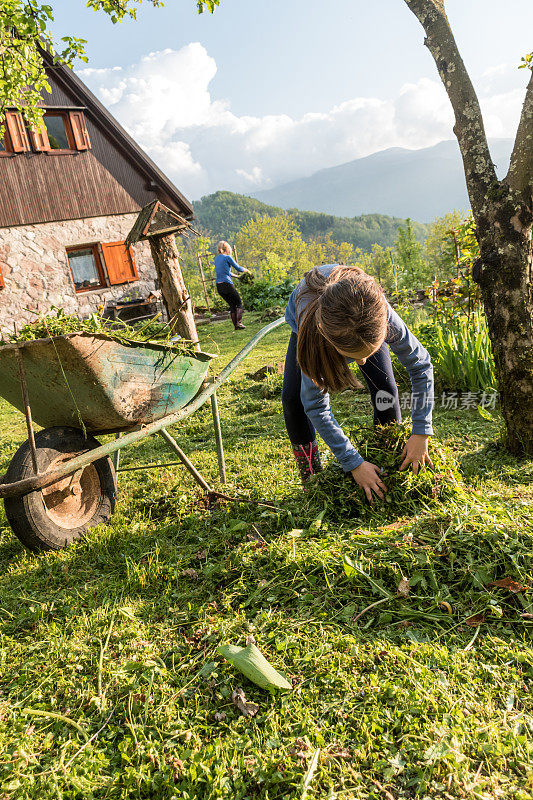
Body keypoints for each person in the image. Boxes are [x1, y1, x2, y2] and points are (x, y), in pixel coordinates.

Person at [283, 264, 434, 502]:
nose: (362, 361)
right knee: (293, 399)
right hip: (307, 318)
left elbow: (421, 365)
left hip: (357, 314)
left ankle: (386, 459)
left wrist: (421, 431)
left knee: (385, 387)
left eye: (368, 352)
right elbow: (315, 404)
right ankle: (311, 479)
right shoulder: (314, 334)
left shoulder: (379, 312)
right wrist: (352, 463)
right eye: (352, 356)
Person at [214, 241, 250, 330]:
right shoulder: (227, 257)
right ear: (228, 249)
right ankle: (239, 323)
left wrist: (237, 277)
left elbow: (226, 272)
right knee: (238, 303)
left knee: (232, 305)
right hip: (227, 284)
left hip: (219, 286)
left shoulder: (217, 259)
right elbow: (238, 268)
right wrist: (247, 270)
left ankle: (236, 326)